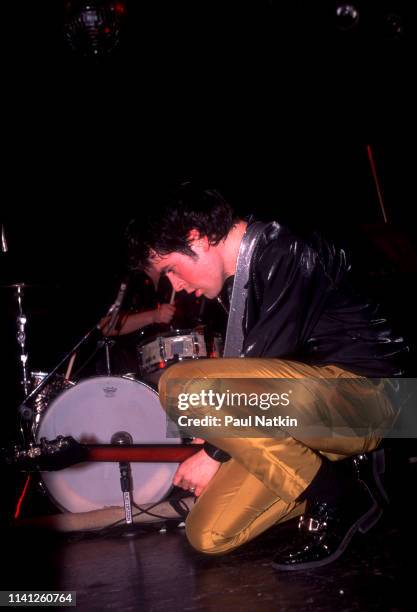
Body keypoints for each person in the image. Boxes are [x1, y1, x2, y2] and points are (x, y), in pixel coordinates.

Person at [126, 182, 410, 570]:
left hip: (374, 399)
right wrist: (218, 432)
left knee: (180, 386)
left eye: (170, 270)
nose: (174, 287)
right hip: (312, 416)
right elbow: (256, 390)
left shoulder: (286, 245)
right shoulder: (237, 283)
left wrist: (213, 450)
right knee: (207, 533)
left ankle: (339, 495)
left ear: (197, 237)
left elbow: (252, 381)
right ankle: (342, 473)